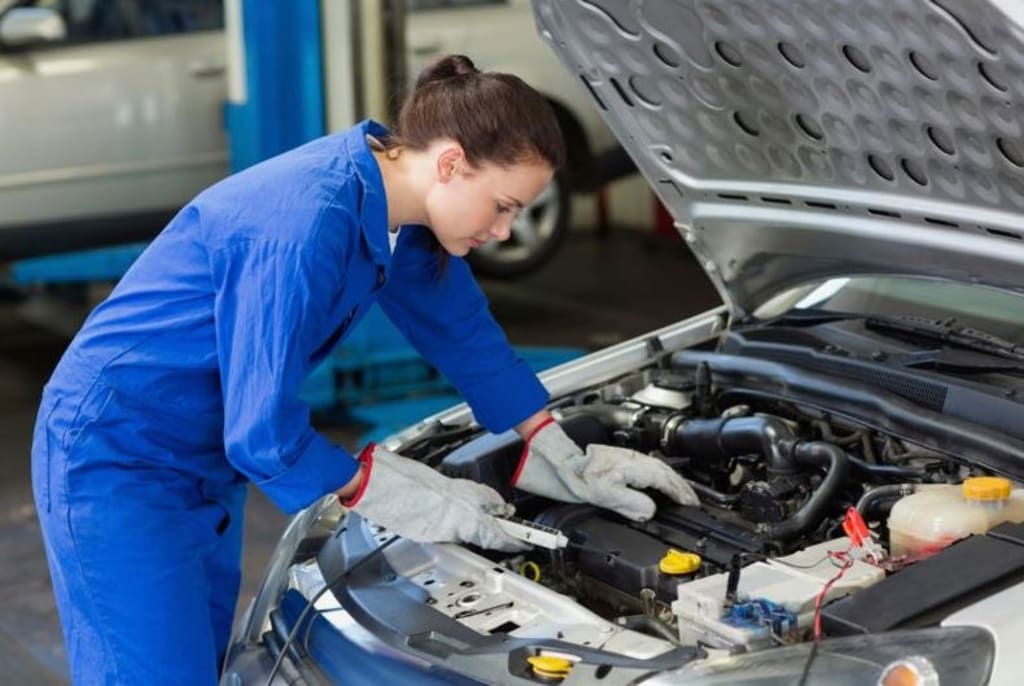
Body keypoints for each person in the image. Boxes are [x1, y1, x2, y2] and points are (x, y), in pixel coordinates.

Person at [30, 54, 698, 684]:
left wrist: (550, 443)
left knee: (197, 665)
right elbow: (261, 434)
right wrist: (386, 491)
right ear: (452, 163)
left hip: (198, 458)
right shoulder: (307, 219)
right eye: (503, 207)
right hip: (117, 453)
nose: (503, 232)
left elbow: (463, 331)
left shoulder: (395, 215)